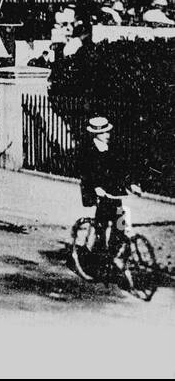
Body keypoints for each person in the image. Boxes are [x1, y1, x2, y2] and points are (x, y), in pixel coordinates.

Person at [78, 116, 142, 275]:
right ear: (96, 134)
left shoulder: (112, 148)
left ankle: (113, 257)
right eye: (104, 132)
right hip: (97, 192)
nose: (108, 134)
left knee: (120, 226)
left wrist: (131, 184)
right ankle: (92, 261)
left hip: (113, 191)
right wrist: (95, 187)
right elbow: (86, 173)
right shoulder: (88, 151)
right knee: (102, 227)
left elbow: (122, 169)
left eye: (108, 131)